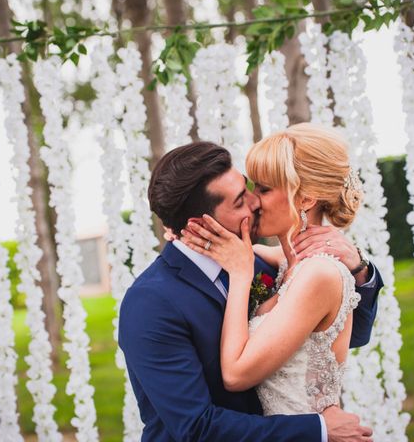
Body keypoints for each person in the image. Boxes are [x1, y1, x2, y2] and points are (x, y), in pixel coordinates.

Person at [118, 138, 382, 441]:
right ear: (197, 224)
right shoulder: (151, 303)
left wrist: (359, 270)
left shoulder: (261, 263)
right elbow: (196, 428)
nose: (255, 202)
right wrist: (319, 429)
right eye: (240, 200)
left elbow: (340, 336)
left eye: (252, 188)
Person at [181, 123, 370, 419]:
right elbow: (248, 251)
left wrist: (242, 276)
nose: (252, 201)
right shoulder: (286, 261)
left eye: (264, 189)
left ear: (306, 199)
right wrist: (185, 228)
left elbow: (235, 375)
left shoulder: (318, 273)